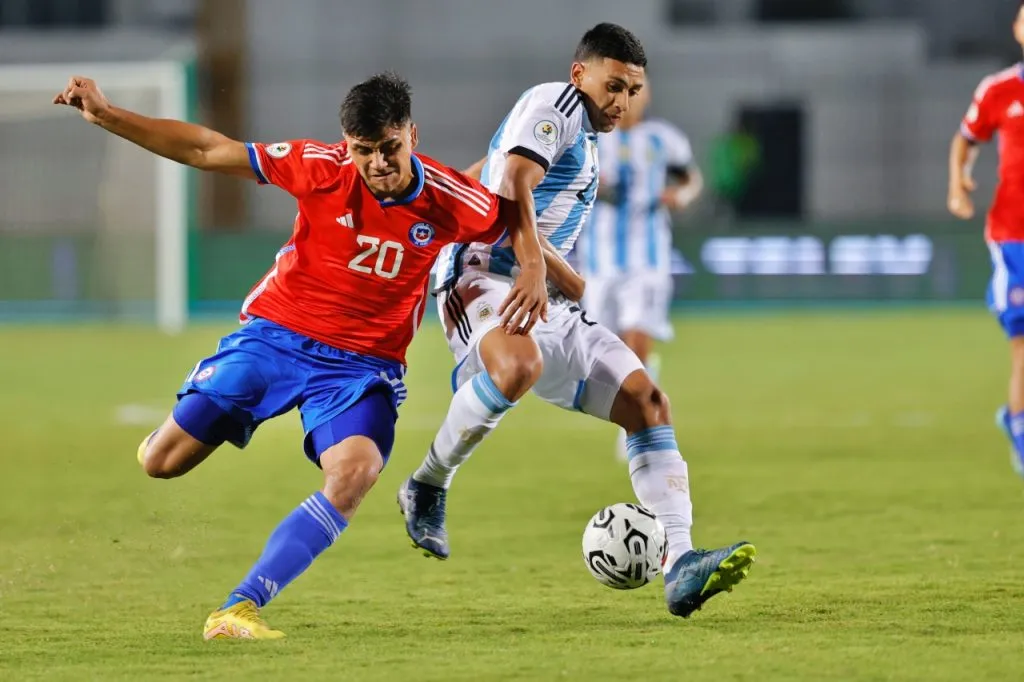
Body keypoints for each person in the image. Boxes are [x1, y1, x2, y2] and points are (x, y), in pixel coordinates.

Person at [54, 71, 548, 639]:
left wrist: (535, 266)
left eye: (390, 148)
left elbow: (510, 216)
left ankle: (239, 607)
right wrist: (109, 115)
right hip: (275, 336)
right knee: (162, 463)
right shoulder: (320, 166)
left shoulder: (450, 199)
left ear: (412, 134)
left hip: (361, 367)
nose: (379, 164)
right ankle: (184, 420)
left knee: (356, 473)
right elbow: (208, 149)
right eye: (365, 152)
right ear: (347, 146)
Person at [398, 23, 755, 619]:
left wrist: (561, 278)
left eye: (632, 90)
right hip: (483, 275)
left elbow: (491, 174)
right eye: (612, 85)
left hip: (544, 294)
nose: (620, 101)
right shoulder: (555, 104)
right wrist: (534, 265)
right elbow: (512, 181)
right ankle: (428, 483)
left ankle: (682, 563)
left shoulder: (586, 141)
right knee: (517, 365)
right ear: (579, 74)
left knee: (647, 402)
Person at [573, 82, 703, 460]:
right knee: (605, 354)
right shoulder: (589, 140)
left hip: (647, 259)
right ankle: (642, 388)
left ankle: (640, 423)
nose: (629, 101)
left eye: (637, 92)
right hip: (599, 262)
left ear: (646, 97)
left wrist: (681, 196)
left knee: (637, 339)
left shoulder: (664, 139)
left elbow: (690, 178)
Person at [948, 0, 1024, 477]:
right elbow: (965, 139)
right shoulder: (999, 89)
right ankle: (1019, 424)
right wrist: (959, 183)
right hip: (1014, 234)